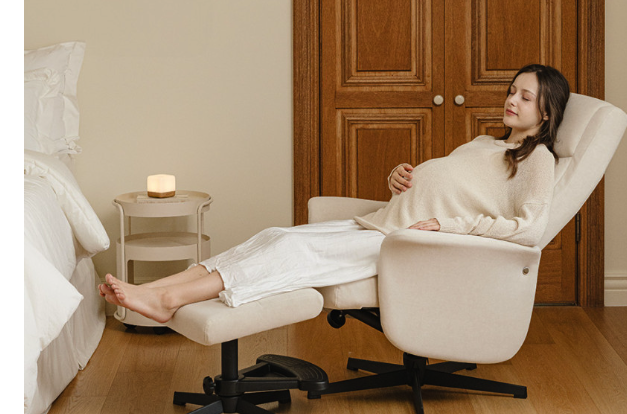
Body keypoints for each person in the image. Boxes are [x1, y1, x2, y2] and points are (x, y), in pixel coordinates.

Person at [100, 64, 571, 324]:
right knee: (275, 235)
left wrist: (449, 224)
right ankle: (154, 290)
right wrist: (401, 179)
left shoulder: (538, 161)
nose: (512, 100)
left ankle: (168, 301)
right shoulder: (486, 143)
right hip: (383, 223)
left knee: (287, 253)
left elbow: (530, 229)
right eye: (512, 91)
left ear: (547, 112)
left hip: (407, 244)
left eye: (525, 97)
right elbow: (452, 189)